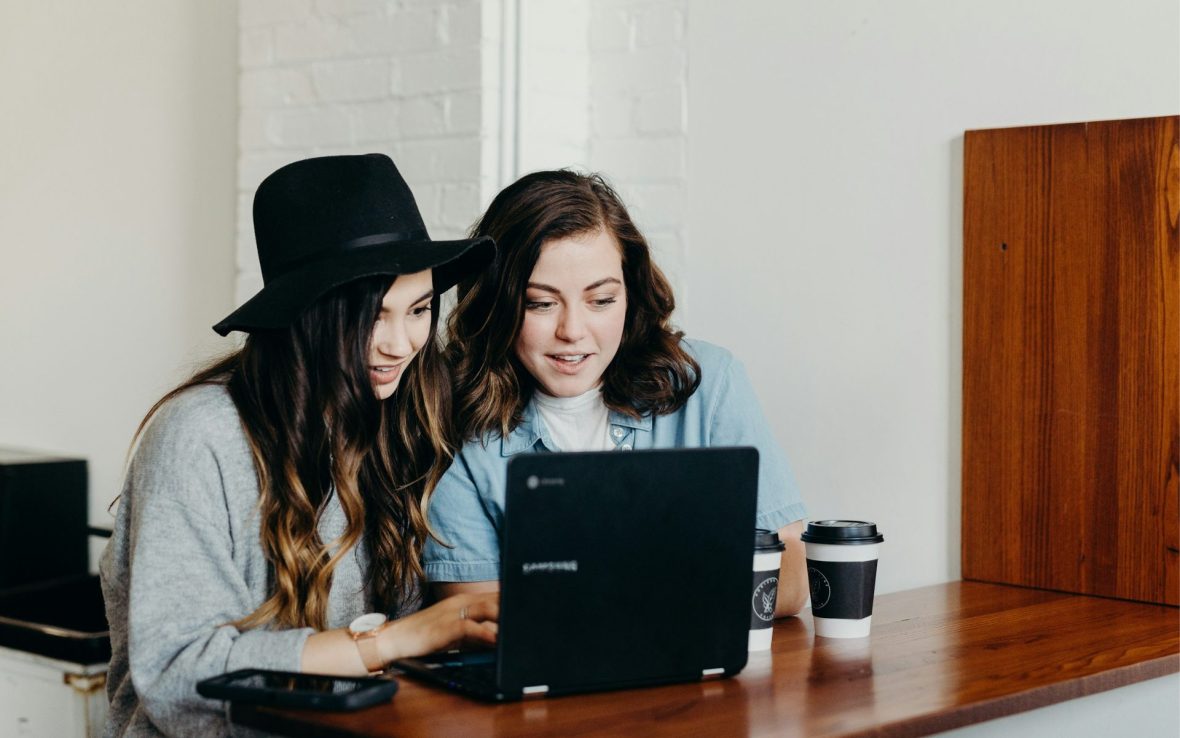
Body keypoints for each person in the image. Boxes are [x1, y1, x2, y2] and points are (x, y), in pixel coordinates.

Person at [99, 154, 499, 737]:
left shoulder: (399, 423)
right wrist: (392, 639)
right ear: (307, 314)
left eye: (418, 310)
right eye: (371, 315)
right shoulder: (200, 435)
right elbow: (179, 674)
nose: (400, 343)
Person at [424, 170, 808, 617]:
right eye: (540, 303)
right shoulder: (452, 417)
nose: (572, 331)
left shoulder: (707, 383)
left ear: (630, 293)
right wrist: (682, 580)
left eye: (601, 300)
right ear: (497, 303)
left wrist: (583, 597)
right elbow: (473, 616)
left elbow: (789, 580)